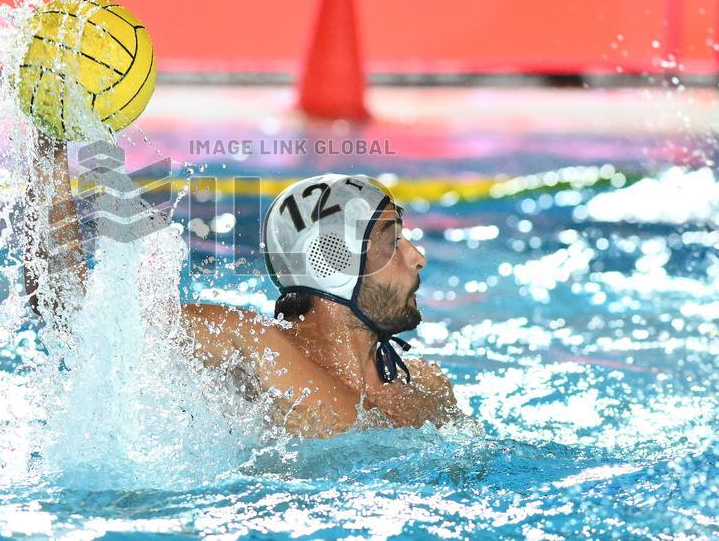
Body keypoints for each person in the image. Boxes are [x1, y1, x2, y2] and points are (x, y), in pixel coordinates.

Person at [23, 133, 464, 438]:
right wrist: (47, 148)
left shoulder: (427, 387)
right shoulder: (251, 349)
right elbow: (79, 316)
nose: (417, 257)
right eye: (392, 240)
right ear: (333, 263)